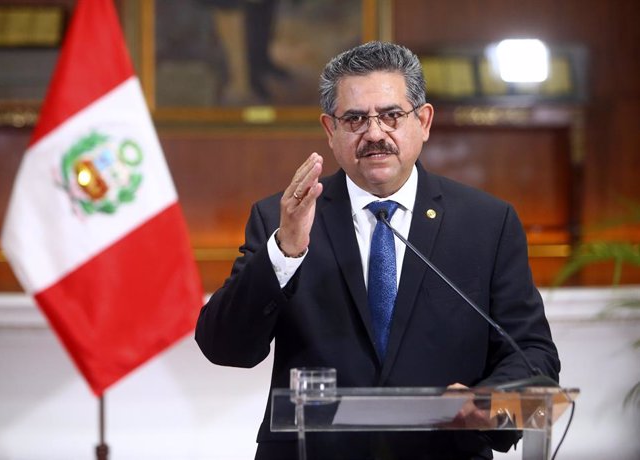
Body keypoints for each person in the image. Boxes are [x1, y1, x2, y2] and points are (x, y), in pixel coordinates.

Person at [195, 41, 560, 459]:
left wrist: (490, 404)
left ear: (423, 122)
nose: (374, 133)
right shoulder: (283, 219)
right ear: (330, 131)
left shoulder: (486, 223)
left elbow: (533, 355)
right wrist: (284, 251)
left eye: (391, 116)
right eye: (354, 119)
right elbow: (223, 347)